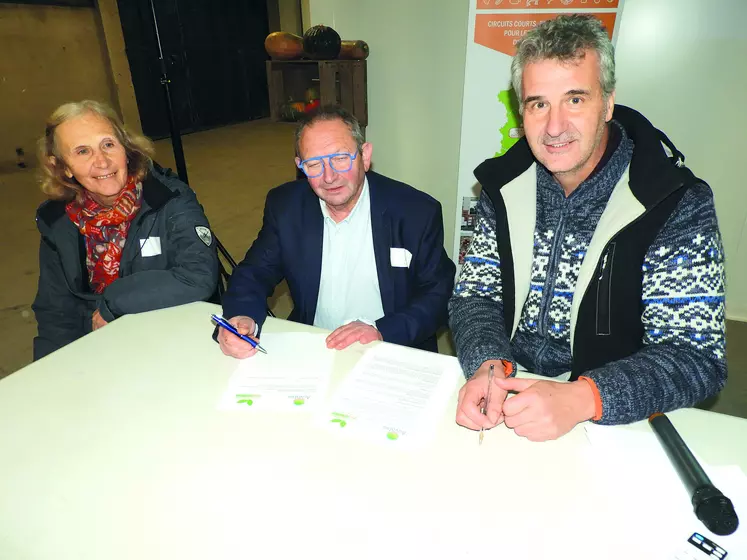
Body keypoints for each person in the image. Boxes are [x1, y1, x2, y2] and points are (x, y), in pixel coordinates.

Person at [450, 15, 726, 441]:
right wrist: (489, 365)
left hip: (611, 412)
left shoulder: (674, 201)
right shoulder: (500, 187)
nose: (555, 127)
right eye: (538, 103)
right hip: (507, 389)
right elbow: (476, 295)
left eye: (575, 100)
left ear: (609, 103)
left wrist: (583, 397)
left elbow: (696, 356)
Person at [218, 105, 455, 358]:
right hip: (315, 347)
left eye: (340, 159)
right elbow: (254, 272)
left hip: (391, 349)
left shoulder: (415, 211)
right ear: (300, 166)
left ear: (364, 156)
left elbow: (438, 293)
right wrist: (242, 316)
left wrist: (381, 331)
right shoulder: (286, 206)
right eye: (314, 164)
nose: (329, 177)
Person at [33, 100, 219, 359]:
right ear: (63, 167)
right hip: (100, 350)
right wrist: (49, 370)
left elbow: (198, 276)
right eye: (82, 151)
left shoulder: (167, 198)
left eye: (108, 144)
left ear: (126, 149)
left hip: (170, 343)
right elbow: (56, 311)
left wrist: (113, 301)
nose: (102, 161)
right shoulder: (57, 220)